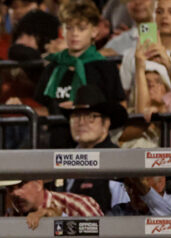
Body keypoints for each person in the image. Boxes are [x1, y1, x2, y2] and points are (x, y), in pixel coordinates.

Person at [33, 0, 125, 148]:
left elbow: (118, 107)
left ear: (94, 31)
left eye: (81, 28)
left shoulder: (105, 67)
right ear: (62, 31)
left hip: (95, 146)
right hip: (56, 145)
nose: (74, 34)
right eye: (69, 28)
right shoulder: (53, 67)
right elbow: (43, 106)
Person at [63, 85, 130, 214]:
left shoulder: (118, 161)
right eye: (76, 116)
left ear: (106, 123)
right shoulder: (62, 159)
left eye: (91, 116)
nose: (82, 122)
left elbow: (122, 212)